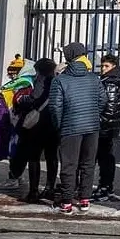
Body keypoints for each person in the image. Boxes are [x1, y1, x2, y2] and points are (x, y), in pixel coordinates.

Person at [48, 43, 106, 214]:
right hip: (92, 127)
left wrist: (59, 125)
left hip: (70, 127)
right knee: (88, 164)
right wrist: (93, 114)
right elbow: (103, 100)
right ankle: (85, 198)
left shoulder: (60, 80)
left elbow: (55, 107)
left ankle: (67, 201)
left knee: (69, 164)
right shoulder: (94, 78)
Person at [11, 58, 59, 203]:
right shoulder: (57, 80)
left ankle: (33, 191)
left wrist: (21, 104)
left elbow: (34, 99)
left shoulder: (41, 80)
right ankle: (50, 188)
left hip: (38, 125)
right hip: (53, 124)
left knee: (34, 158)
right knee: (52, 157)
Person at [93, 54, 120, 200]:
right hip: (109, 126)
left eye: (106, 66)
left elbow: (110, 108)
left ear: (113, 67)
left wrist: (99, 122)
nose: (103, 69)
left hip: (105, 127)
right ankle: (105, 186)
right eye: (102, 66)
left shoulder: (110, 82)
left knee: (104, 158)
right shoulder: (112, 80)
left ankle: (105, 187)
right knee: (105, 158)